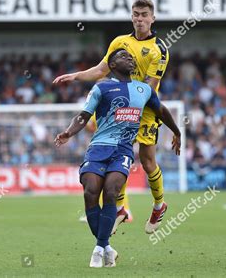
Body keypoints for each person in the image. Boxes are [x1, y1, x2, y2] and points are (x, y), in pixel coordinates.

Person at [54, 0, 171, 234]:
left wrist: (132, 103)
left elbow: (149, 86)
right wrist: (75, 76)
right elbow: (100, 70)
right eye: (136, 14)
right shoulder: (120, 42)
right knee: (119, 157)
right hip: (122, 110)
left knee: (148, 162)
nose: (139, 18)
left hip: (145, 110)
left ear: (153, 18)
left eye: (144, 15)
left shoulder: (160, 49)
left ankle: (159, 205)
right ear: (131, 16)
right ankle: (120, 208)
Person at [54, 49, 181, 268]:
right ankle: (106, 247)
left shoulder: (144, 90)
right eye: (123, 57)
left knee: (111, 192)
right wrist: (68, 132)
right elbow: (84, 115)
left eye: (131, 57)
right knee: (90, 192)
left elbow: (161, 111)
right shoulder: (101, 87)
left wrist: (177, 132)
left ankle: (98, 249)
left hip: (122, 151)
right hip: (98, 148)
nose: (129, 58)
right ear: (111, 65)